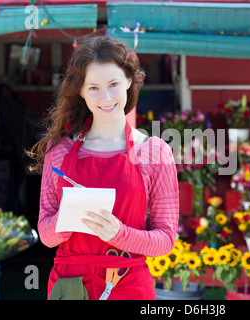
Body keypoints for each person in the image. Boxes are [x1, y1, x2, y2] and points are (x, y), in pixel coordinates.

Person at [27, 36, 179, 300]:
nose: (106, 97)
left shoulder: (154, 152)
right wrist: (69, 218)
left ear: (129, 82)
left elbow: (165, 240)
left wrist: (119, 234)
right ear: (81, 91)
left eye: (113, 84)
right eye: (94, 87)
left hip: (128, 284)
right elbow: (47, 235)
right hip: (70, 285)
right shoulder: (59, 151)